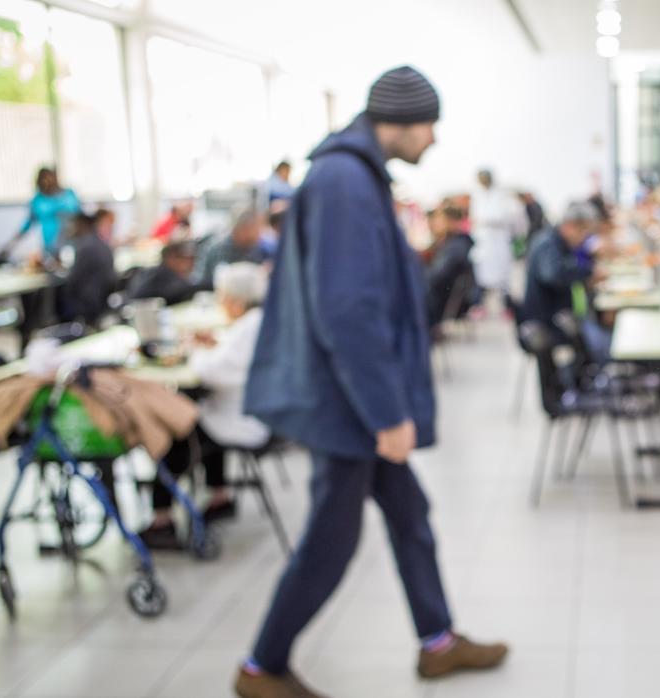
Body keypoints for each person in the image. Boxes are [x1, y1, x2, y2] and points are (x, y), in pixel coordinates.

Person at [239, 66, 507, 698]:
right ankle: (261, 666)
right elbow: (347, 311)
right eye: (429, 125)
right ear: (402, 120)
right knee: (331, 540)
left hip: (352, 398)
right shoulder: (343, 182)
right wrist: (386, 414)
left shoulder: (352, 176)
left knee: (410, 512)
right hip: (349, 406)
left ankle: (437, 640)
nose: (434, 139)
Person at [138, 262, 270, 550]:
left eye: (221, 296)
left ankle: (162, 520)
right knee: (197, 415)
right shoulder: (255, 323)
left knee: (175, 431)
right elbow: (229, 361)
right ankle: (219, 495)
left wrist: (196, 349)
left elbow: (212, 372)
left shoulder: (251, 328)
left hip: (242, 420)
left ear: (236, 301)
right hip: (246, 413)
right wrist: (215, 344)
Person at [522, 202, 610, 359]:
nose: (584, 239)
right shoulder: (547, 244)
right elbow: (553, 274)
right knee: (603, 346)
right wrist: (587, 273)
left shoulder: (556, 241)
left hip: (558, 314)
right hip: (548, 321)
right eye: (584, 232)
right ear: (570, 226)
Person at [469, 168, 524, 299]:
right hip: (483, 240)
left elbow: (505, 216)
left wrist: (487, 219)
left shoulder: (502, 195)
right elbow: (475, 217)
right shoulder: (477, 195)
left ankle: (506, 303)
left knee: (502, 275)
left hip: (499, 239)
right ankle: (480, 302)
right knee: (481, 274)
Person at [58, 212, 117, 325]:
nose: (71, 229)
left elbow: (74, 279)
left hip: (87, 304)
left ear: (81, 225)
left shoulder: (85, 247)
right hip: (101, 300)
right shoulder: (102, 244)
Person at [423, 204, 476, 327]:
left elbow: (436, 276)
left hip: (445, 303)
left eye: (439, 220)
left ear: (451, 222)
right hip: (442, 298)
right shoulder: (451, 243)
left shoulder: (456, 246)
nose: (435, 223)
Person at [10, 167, 80, 259]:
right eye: (43, 181)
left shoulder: (68, 195)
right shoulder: (38, 201)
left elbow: (80, 217)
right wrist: (11, 244)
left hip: (71, 245)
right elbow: (27, 225)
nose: (46, 183)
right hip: (50, 248)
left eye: (49, 180)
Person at [196, 208, 268, 287]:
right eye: (257, 228)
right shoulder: (219, 248)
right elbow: (221, 282)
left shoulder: (255, 248)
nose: (260, 234)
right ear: (244, 229)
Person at [130, 241, 199, 306]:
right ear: (171, 258)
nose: (190, 263)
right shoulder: (162, 276)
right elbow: (181, 290)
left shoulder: (157, 272)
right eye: (184, 258)